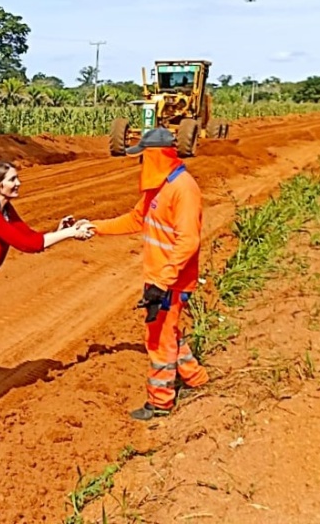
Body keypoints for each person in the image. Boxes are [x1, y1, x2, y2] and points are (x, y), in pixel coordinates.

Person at [0, 160, 94, 430]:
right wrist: (71, 234)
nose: (18, 183)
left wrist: (60, 231)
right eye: (12, 179)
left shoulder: (5, 210)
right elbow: (27, 245)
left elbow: (29, 235)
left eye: (16, 178)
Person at [88, 127, 209, 421]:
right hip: (159, 278)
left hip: (171, 282)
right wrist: (93, 227)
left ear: (156, 156)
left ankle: (160, 402)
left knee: (158, 340)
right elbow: (135, 219)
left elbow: (188, 241)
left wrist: (162, 282)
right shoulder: (158, 186)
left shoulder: (183, 189)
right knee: (168, 333)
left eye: (143, 157)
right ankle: (195, 379)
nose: (141, 163)